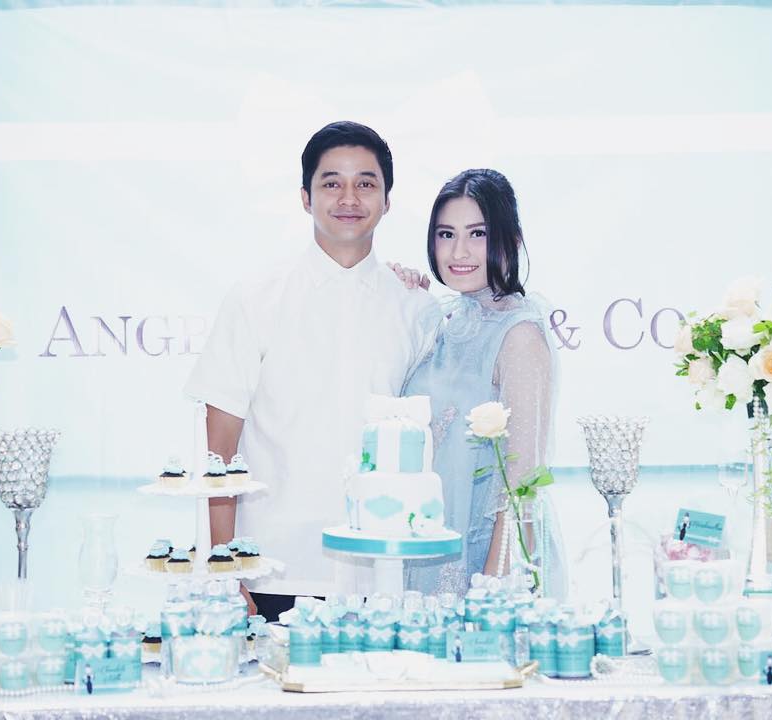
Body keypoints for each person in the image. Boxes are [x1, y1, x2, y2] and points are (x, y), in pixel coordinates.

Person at [185, 121, 438, 621]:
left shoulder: (417, 309)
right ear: (305, 197)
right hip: (275, 570)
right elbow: (220, 444)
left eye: (366, 183)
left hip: (386, 575)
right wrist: (224, 568)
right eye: (331, 183)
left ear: (388, 200)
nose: (349, 198)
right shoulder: (255, 298)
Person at [403, 168, 566, 597]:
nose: (458, 251)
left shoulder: (519, 334)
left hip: (485, 562)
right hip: (428, 544)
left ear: (511, 239)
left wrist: (492, 590)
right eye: (446, 234)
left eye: (477, 234)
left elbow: (521, 483)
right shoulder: (444, 319)